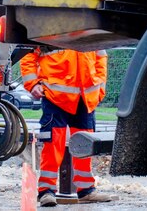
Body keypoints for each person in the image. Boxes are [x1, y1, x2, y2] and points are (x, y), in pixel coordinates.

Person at [20, 47, 115, 207]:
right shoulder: (49, 29)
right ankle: (46, 191)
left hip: (85, 97)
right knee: (53, 145)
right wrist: (32, 83)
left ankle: (86, 191)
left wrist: (100, 89)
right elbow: (28, 54)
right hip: (55, 96)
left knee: (85, 146)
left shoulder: (90, 29)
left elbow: (101, 57)